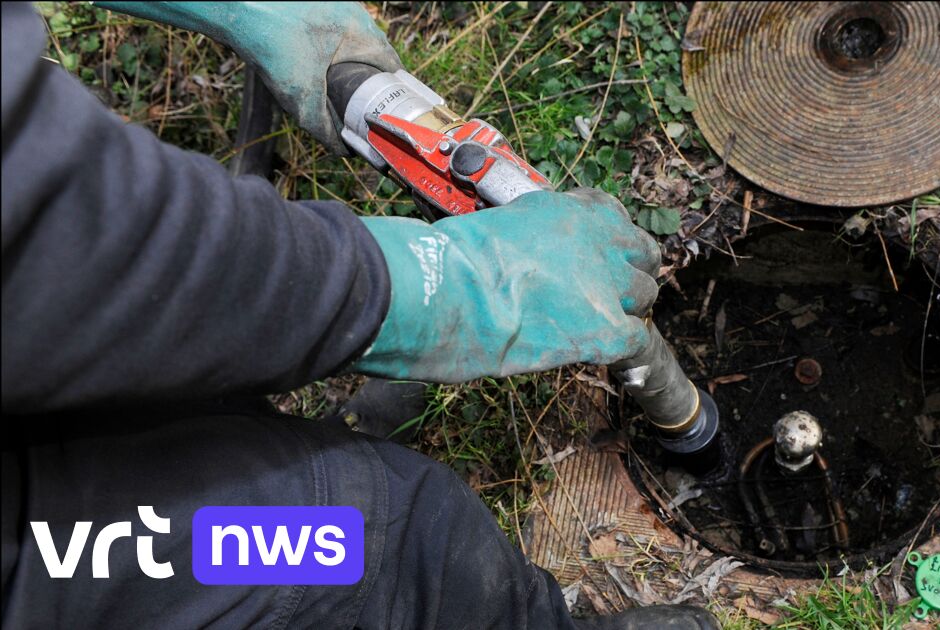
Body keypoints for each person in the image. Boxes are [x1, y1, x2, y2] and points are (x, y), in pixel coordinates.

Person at [0, 2, 718, 628]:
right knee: (358, 533)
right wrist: (440, 286)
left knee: (191, 419)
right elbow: (73, 246)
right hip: (39, 555)